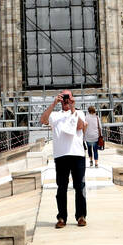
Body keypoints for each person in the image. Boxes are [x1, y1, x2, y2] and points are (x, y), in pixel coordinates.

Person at [40, 89, 88, 228]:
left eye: (69, 97)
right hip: (61, 155)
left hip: (77, 154)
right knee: (61, 188)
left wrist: (73, 107)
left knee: (79, 187)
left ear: (72, 98)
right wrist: (54, 103)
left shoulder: (79, 113)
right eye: (64, 97)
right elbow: (43, 120)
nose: (66, 99)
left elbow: (80, 126)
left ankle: (81, 216)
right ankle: (61, 217)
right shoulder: (55, 115)